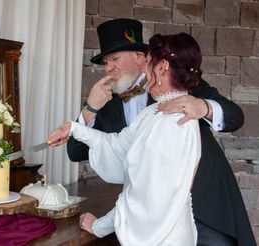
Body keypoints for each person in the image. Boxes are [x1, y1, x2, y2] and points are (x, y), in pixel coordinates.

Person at [67, 19, 255, 245]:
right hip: (152, 216)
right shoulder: (106, 105)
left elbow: (236, 116)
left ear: (140, 57)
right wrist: (90, 108)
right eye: (105, 62)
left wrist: (202, 106)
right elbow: (75, 152)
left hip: (205, 207)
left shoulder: (181, 82)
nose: (108, 68)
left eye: (114, 59)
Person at [49, 32, 204, 245]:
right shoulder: (154, 112)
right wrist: (74, 128)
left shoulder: (175, 121)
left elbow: (144, 196)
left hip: (163, 236)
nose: (145, 70)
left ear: (162, 67)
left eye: (149, 63)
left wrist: (99, 226)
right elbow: (117, 145)